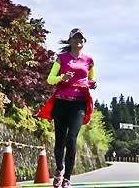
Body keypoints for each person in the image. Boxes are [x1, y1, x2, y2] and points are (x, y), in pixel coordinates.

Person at [36, 28, 97, 188]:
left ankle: (67, 178)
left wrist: (93, 84)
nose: (78, 41)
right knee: (59, 141)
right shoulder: (61, 59)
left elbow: (91, 80)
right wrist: (62, 77)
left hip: (79, 104)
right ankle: (60, 169)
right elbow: (50, 79)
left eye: (81, 38)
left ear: (84, 42)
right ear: (70, 41)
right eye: (75, 38)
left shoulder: (89, 60)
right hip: (61, 103)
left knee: (72, 139)